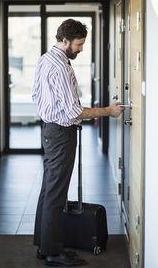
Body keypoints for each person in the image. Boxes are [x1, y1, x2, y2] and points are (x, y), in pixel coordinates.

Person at [32, 19, 124, 267]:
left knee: (49, 190)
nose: (81, 49)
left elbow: (36, 94)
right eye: (79, 44)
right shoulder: (60, 67)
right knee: (56, 194)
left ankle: (45, 246)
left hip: (51, 130)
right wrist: (108, 111)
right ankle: (52, 252)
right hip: (61, 133)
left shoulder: (45, 59)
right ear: (65, 41)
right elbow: (73, 111)